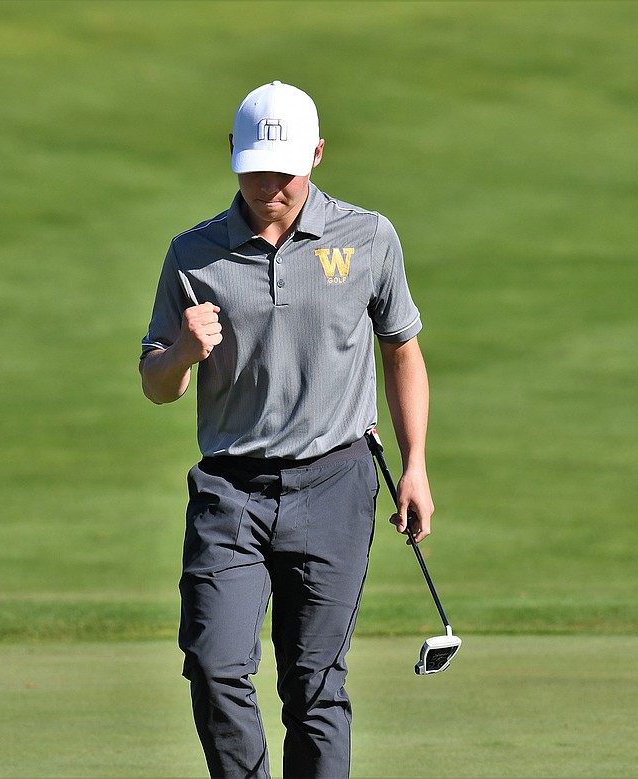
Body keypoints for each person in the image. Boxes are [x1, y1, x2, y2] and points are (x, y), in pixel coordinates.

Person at [139, 80, 434, 779]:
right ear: (233, 157)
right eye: (255, 168)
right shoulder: (194, 254)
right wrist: (183, 352)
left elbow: (402, 351)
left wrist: (416, 462)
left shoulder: (368, 237)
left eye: (286, 169)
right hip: (230, 492)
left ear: (318, 154)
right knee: (214, 666)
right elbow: (157, 384)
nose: (270, 183)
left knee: (314, 684)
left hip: (335, 483)